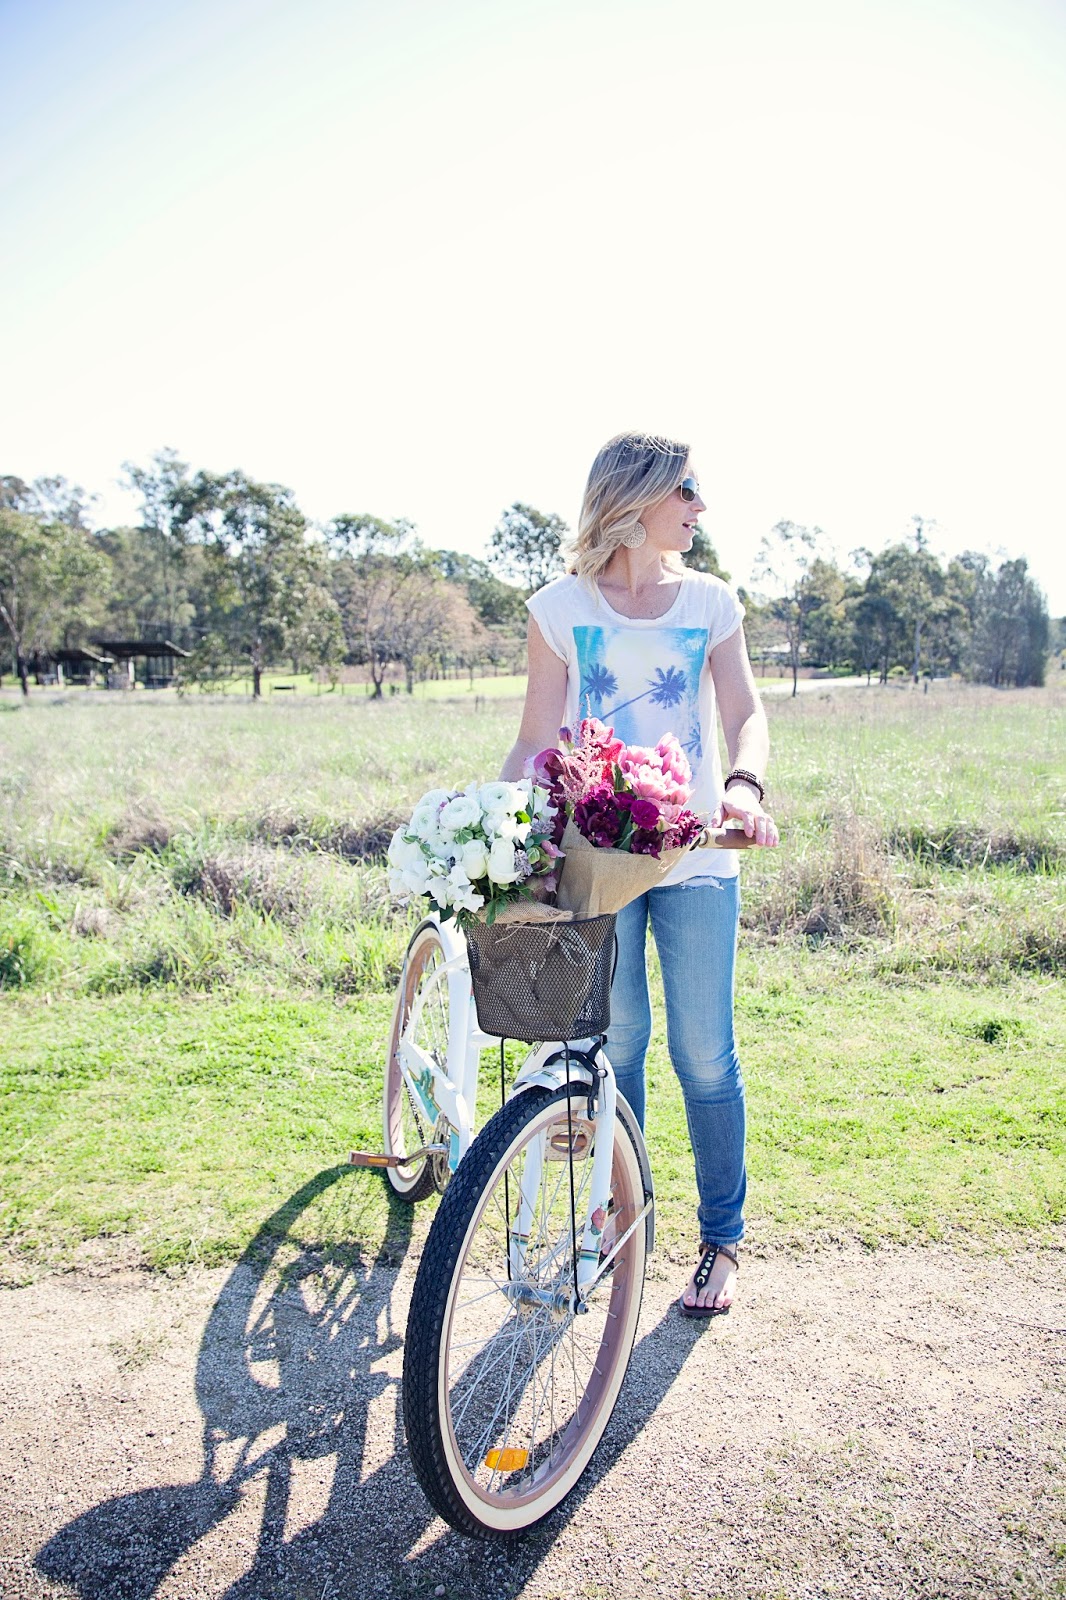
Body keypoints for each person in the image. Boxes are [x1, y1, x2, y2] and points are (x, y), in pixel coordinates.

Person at [500, 430, 779, 1316]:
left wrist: (742, 785)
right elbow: (537, 737)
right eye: (687, 490)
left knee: (704, 1055)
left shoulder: (710, 602)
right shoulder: (557, 607)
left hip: (696, 856)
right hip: (598, 861)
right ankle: (624, 1225)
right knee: (616, 1049)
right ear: (639, 497)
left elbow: (746, 713)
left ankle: (721, 1241)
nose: (700, 507)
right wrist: (503, 833)